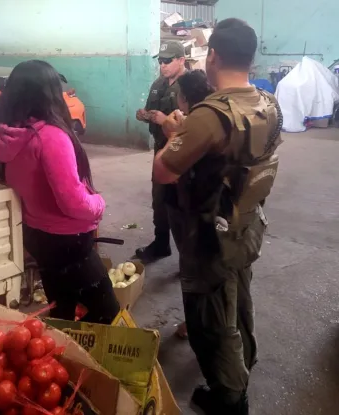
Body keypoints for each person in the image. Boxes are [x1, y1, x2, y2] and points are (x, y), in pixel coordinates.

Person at [153, 19, 283, 414]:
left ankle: (230, 395)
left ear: (213, 57)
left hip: (212, 233)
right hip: (248, 222)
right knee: (240, 297)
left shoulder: (208, 116)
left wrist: (176, 132)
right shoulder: (267, 102)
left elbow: (164, 172)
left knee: (211, 316)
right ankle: (245, 363)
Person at [0, 60, 120, 324]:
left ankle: (63, 356)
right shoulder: (49, 136)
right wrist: (98, 203)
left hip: (37, 235)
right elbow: (73, 201)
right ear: (48, 93)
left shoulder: (3, 132)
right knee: (107, 312)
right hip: (68, 242)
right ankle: (82, 357)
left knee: (62, 311)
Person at [170, 70, 215, 339]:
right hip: (208, 207)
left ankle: (195, 324)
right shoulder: (214, 119)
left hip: (191, 206)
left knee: (192, 267)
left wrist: (176, 132)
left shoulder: (194, 126)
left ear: (185, 98)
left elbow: (164, 171)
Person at [135, 41, 187, 263]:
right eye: (160, 61)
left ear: (181, 60)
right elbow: (150, 111)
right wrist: (145, 115)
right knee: (160, 199)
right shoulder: (158, 83)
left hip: (184, 152)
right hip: (161, 148)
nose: (163, 65)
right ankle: (161, 243)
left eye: (168, 60)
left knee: (183, 204)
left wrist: (166, 121)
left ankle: (188, 257)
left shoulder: (191, 84)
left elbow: (200, 122)